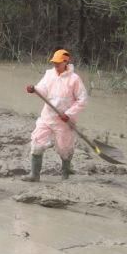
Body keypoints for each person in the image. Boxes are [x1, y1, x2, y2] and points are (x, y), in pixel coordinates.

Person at [22, 48, 88, 182]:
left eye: (58, 63)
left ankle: (65, 174)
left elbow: (83, 100)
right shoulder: (49, 74)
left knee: (65, 148)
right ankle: (34, 175)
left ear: (66, 62)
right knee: (37, 141)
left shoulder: (74, 79)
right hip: (47, 116)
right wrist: (33, 89)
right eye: (54, 63)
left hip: (64, 121)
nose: (55, 65)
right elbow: (42, 89)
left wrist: (68, 114)